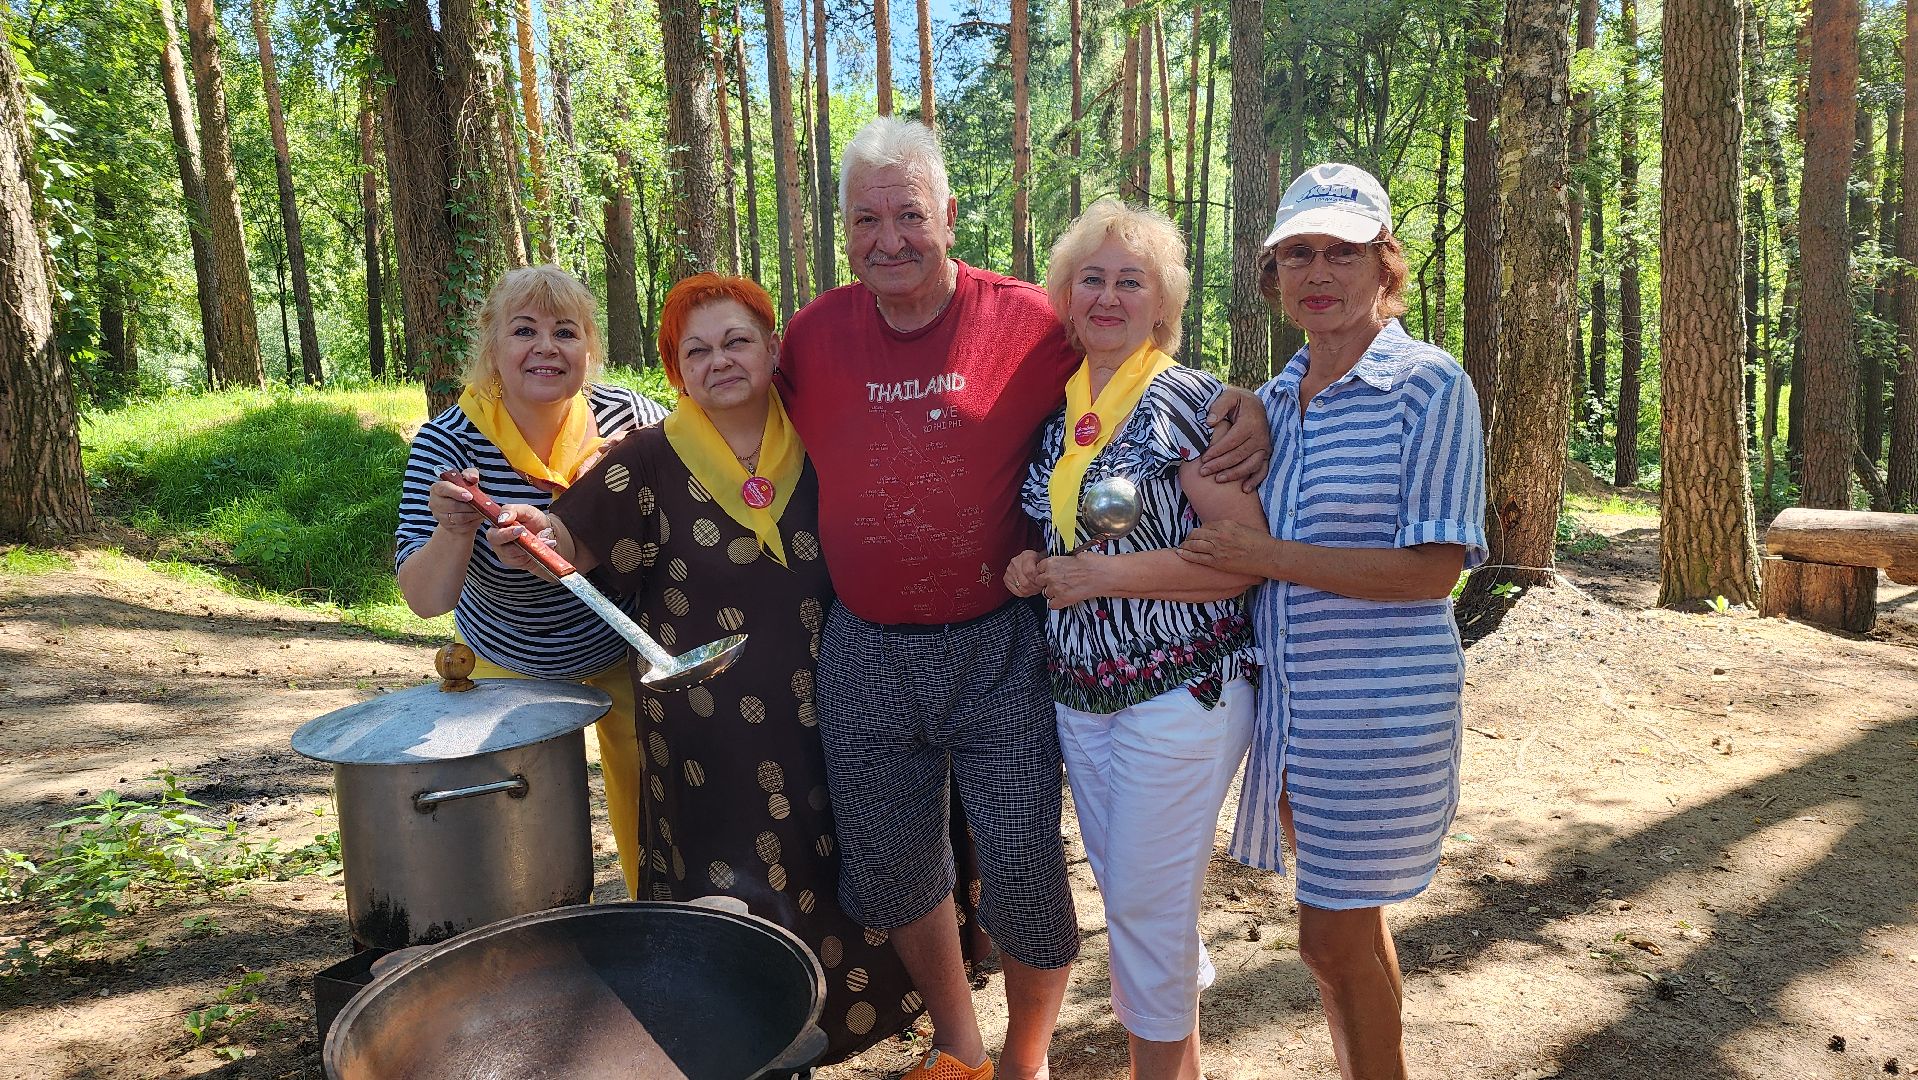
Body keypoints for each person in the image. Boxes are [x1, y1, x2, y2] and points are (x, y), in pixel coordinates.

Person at [776, 115, 1271, 1080]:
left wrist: (1246, 400)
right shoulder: (813, 332)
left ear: (950, 216)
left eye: (910, 214)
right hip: (879, 648)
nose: (889, 239)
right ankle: (959, 1049)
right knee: (892, 861)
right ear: (843, 229)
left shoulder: (1027, 325)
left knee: (1027, 865)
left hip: (1012, 651)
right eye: (865, 219)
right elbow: (730, 403)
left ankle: (1027, 1056)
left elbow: (1146, 361)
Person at [480, 274, 926, 1065]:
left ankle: (847, 1020)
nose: (720, 361)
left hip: (837, 705)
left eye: (736, 341)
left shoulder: (821, 432)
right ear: (676, 371)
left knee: (838, 856)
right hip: (706, 726)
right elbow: (573, 540)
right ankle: (737, 1038)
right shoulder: (649, 459)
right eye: (698, 350)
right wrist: (533, 526)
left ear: (771, 349)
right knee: (728, 885)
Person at [1177, 162, 1488, 1080]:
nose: (1320, 272)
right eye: (1299, 254)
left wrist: (1265, 559)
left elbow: (1435, 572)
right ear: (1274, 276)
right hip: (1293, 712)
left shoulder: (1428, 388)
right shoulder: (1275, 402)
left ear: (1384, 266)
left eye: (1343, 253)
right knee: (1345, 931)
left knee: (1332, 938)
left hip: (1380, 713)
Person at [1002, 199, 1268, 1080]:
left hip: (1180, 689)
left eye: (1131, 280)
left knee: (1146, 914)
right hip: (1081, 697)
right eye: (1092, 279)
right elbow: (1067, 543)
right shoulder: (1057, 414)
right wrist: (1035, 570)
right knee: (1137, 904)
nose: (1109, 296)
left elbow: (1242, 564)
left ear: (1163, 305)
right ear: (1067, 301)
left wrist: (1101, 577)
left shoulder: (1191, 404)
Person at [394, 264, 666, 899]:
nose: (546, 347)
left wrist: (629, 475)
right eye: (524, 331)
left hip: (624, 649)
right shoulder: (448, 442)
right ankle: (537, 948)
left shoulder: (629, 417)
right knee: (515, 823)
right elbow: (424, 600)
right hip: (508, 659)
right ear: (492, 348)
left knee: (657, 808)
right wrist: (455, 530)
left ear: (590, 349)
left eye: (565, 331)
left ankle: (658, 923)